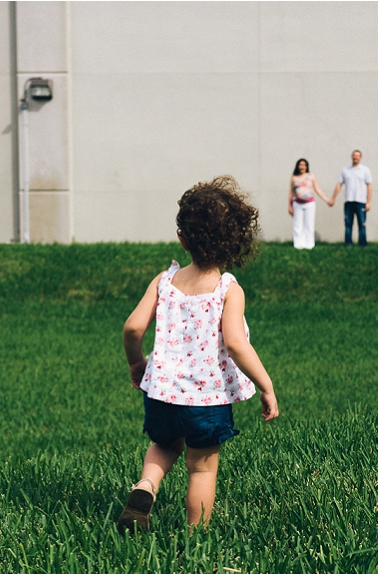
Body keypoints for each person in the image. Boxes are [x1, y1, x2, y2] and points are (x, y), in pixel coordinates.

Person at [117, 176, 279, 533]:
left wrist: (136, 363)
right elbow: (236, 343)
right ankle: (196, 535)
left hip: (161, 393)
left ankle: (145, 488)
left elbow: (132, 328)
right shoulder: (227, 289)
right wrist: (265, 385)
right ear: (236, 242)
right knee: (202, 467)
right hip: (206, 401)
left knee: (163, 445)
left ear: (182, 239)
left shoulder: (164, 281)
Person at [288, 158, 333, 249]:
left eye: (304, 165)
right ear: (297, 166)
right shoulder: (294, 177)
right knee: (298, 224)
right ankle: (298, 244)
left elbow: (317, 189)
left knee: (309, 224)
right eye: (300, 165)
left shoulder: (311, 176)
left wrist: (327, 200)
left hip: (309, 204)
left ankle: (309, 244)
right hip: (297, 204)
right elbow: (291, 192)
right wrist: (289, 206)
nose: (302, 167)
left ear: (307, 166)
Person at [331, 150, 372, 247]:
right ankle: (348, 243)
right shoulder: (345, 170)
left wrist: (368, 202)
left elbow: (369, 186)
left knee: (362, 224)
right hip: (348, 201)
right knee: (348, 224)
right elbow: (339, 184)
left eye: (357, 156)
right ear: (351, 157)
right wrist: (333, 198)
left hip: (361, 201)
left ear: (360, 158)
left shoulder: (365, 170)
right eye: (354, 155)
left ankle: (363, 244)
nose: (355, 157)